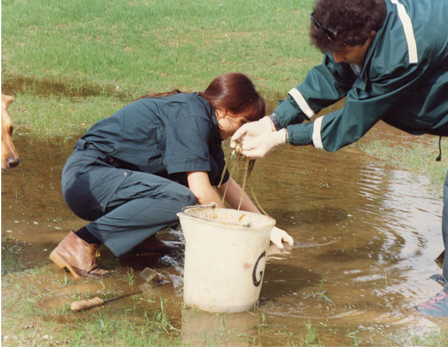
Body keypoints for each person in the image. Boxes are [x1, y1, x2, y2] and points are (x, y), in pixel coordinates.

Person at [229, 0, 448, 317]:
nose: (338, 57)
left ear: (371, 33)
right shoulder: (363, 25)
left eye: (344, 51)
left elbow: (351, 122)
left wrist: (279, 138)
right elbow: (335, 73)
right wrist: (271, 121)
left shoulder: (399, 51)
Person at [53, 73, 293, 279]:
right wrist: (233, 238)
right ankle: (81, 242)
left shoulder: (207, 126)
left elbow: (224, 184)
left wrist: (267, 228)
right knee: (182, 198)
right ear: (224, 112)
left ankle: (139, 240)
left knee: (185, 188)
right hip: (88, 181)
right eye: (242, 122)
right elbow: (201, 192)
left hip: (108, 180)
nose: (242, 131)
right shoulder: (192, 117)